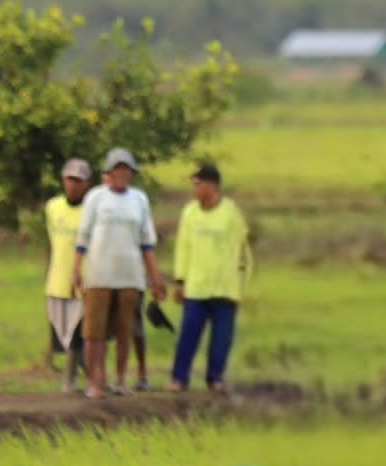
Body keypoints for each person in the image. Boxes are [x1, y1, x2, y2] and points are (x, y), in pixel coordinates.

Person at [73, 148, 168, 399]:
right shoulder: (96, 198)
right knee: (95, 332)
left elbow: (147, 242)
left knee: (125, 330)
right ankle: (95, 381)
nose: (122, 174)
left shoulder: (139, 199)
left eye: (127, 169)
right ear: (109, 172)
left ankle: (121, 379)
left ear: (132, 173)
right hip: (99, 274)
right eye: (118, 169)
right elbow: (83, 236)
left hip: (130, 275)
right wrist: (76, 269)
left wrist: (155, 277)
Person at [171, 164, 252, 393]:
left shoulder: (230, 213)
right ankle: (179, 378)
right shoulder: (189, 213)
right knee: (188, 335)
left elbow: (242, 251)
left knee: (221, 338)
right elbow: (183, 248)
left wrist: (241, 286)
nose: (194, 190)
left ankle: (215, 378)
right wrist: (180, 281)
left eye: (198, 185)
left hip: (225, 287)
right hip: (196, 287)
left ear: (212, 185)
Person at [44, 159, 92, 392]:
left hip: (83, 282)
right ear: (63, 180)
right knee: (63, 333)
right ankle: (93, 375)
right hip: (57, 280)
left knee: (77, 333)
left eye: (78, 181)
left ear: (87, 184)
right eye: (70, 180)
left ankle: (69, 381)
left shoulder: (91, 211)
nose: (73, 185)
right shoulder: (53, 207)